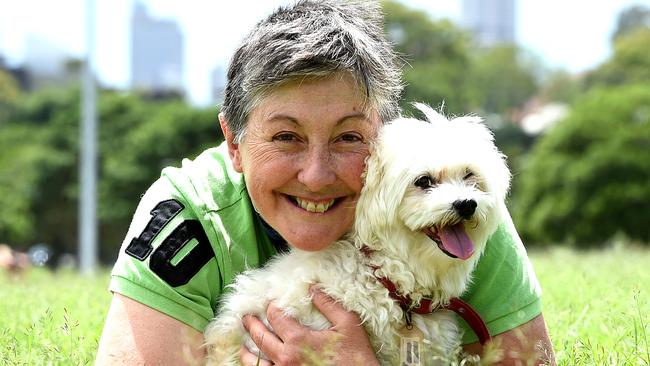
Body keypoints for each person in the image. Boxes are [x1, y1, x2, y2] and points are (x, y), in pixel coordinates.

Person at [96, 1, 555, 365]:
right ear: (234, 143)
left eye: (349, 136)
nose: (316, 175)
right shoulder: (188, 211)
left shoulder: (456, 216)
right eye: (286, 137)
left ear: (385, 140)